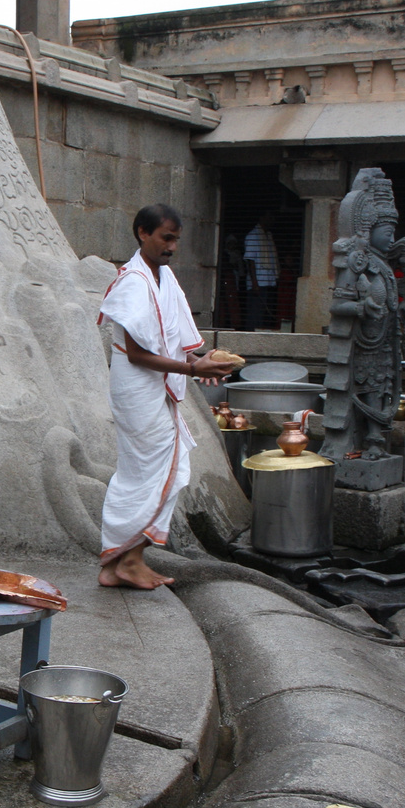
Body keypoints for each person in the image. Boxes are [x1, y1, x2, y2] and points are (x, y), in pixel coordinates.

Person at [98, 206, 234, 589]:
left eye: (176, 239)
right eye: (166, 238)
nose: (172, 247)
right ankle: (130, 560)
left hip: (158, 386)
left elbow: (172, 341)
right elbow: (139, 353)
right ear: (143, 233)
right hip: (137, 387)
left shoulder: (165, 277)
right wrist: (192, 370)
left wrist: (199, 361)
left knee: (157, 470)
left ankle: (117, 564)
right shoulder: (132, 281)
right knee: (150, 472)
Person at [243, 215, 280, 330]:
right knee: (255, 315)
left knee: (263, 314)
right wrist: (255, 283)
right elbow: (250, 261)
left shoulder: (268, 236)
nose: (272, 220)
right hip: (258, 283)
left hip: (268, 282)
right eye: (269, 217)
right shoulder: (253, 236)